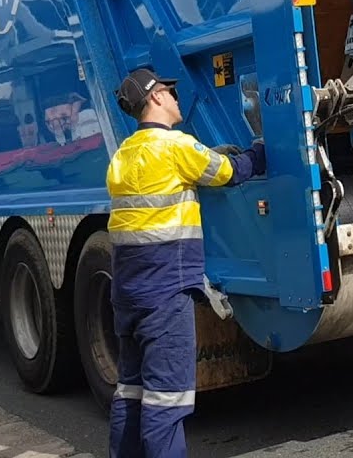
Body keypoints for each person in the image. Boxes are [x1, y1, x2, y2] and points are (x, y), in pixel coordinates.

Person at [107, 68, 265, 458]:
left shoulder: (122, 155)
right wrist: (262, 147)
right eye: (171, 92)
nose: (177, 98)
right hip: (166, 293)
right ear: (156, 97)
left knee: (131, 390)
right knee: (167, 401)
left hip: (127, 293)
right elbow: (231, 173)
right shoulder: (175, 147)